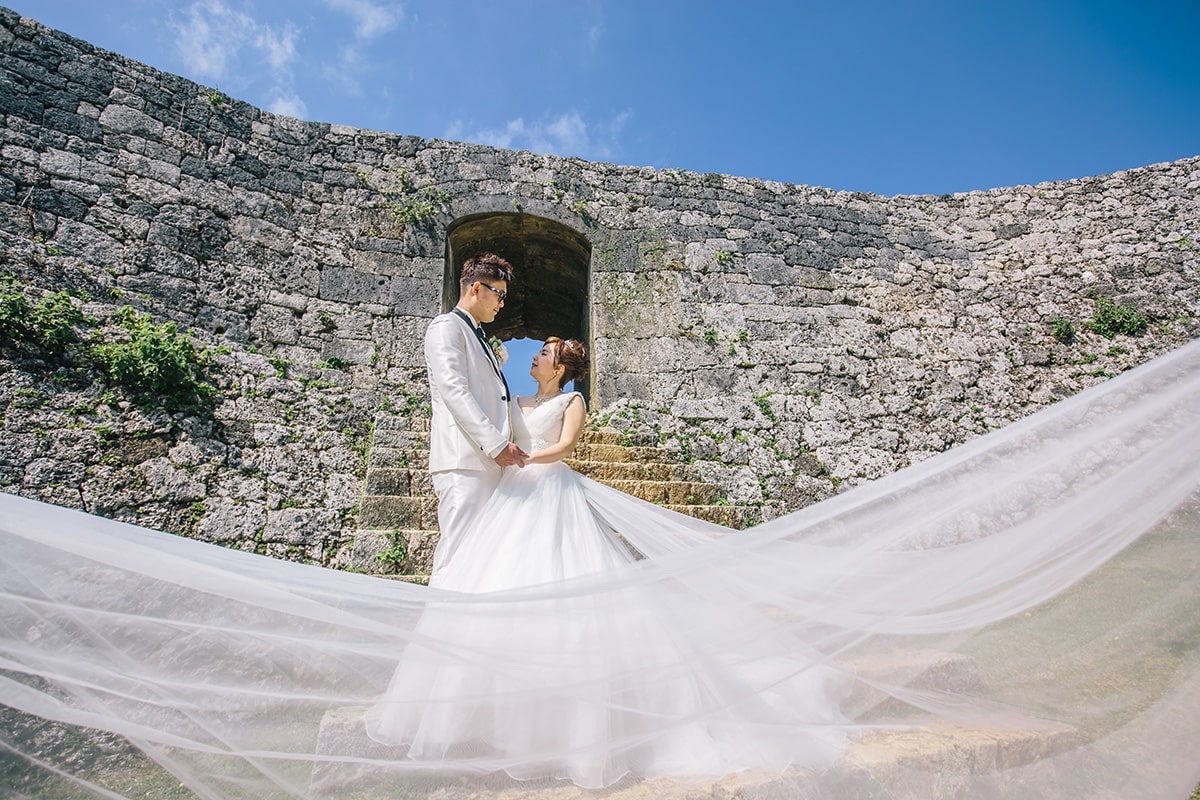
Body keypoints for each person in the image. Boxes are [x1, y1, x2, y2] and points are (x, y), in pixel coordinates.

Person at [2, 339, 1200, 798]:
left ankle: (575, 729)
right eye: (535, 360)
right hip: (520, 489)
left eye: (545, 356)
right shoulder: (522, 393)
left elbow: (556, 449)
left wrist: (523, 440)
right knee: (499, 606)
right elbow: (508, 426)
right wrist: (501, 437)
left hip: (551, 495)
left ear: (564, 364)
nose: (538, 364)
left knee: (571, 616)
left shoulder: (567, 405)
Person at [423, 252, 528, 577]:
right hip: (464, 462)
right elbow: (455, 390)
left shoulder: (478, 335)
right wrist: (496, 444)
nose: (501, 304)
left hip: (486, 464)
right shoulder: (446, 328)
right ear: (476, 288)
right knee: (458, 553)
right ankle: (437, 625)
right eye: (499, 294)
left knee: (480, 560)